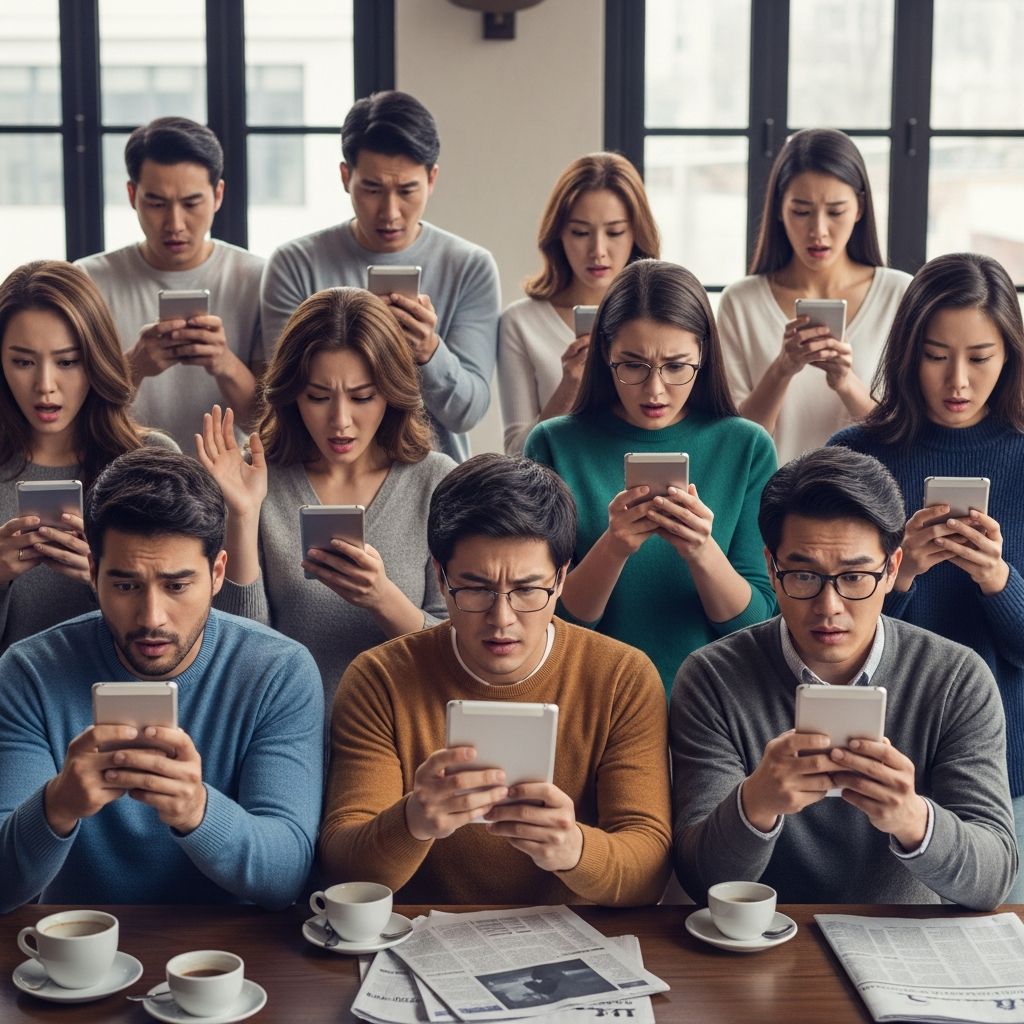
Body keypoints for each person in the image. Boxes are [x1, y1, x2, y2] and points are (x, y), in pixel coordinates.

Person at [671, 446, 1016, 910]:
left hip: (901, 947)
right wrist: (756, 802)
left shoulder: (956, 678)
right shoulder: (712, 677)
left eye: (854, 577)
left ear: (892, 569)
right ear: (771, 569)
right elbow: (699, 879)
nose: (829, 607)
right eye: (804, 575)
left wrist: (913, 819)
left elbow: (993, 879)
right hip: (760, 947)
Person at [318, 453, 672, 905]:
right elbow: (341, 869)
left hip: (578, 941)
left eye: (527, 589)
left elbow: (650, 872)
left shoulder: (622, 677)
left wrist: (574, 849)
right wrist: (413, 821)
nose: (501, 619)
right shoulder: (380, 679)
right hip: (419, 939)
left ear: (561, 577)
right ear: (441, 579)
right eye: (477, 588)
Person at [0, 447, 323, 912]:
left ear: (217, 574)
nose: (152, 618)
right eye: (126, 585)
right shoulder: (29, 672)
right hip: (80, 951)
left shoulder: (278, 672)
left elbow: (286, 876)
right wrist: (57, 806)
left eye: (176, 585)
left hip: (234, 961)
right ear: (93, 573)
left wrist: (196, 811)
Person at [827, 252, 1024, 898]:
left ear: (1011, 356)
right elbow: (821, 636)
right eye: (937, 354)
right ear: (908, 350)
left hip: (1007, 771)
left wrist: (999, 580)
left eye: (981, 356)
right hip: (877, 767)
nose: (958, 380)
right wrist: (900, 575)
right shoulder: (855, 456)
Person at [525, 260, 777, 693]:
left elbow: (756, 625)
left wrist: (701, 550)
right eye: (633, 365)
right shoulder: (553, 444)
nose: (655, 390)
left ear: (704, 355)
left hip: (711, 703)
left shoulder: (747, 447)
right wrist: (613, 547)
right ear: (605, 354)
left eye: (677, 366)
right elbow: (547, 620)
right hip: (591, 697)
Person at [200, 286, 454, 714]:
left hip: (401, 727)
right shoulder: (256, 476)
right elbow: (241, 648)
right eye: (318, 397)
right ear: (292, 395)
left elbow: (456, 648)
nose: (340, 421)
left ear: (391, 392)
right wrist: (242, 515)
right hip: (284, 728)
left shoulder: (435, 480)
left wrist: (381, 597)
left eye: (361, 397)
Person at [260, 90, 501, 463]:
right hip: (314, 472)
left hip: (428, 479)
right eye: (372, 189)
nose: (390, 212)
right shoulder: (294, 264)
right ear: (345, 176)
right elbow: (284, 398)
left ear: (432, 179)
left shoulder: (470, 266)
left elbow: (466, 413)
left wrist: (428, 352)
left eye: (407, 190)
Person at [0, 260, 179, 655]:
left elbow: (184, 623)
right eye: (23, 362)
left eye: (67, 361)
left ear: (96, 360)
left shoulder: (152, 462)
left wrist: (108, 583)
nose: (45, 385)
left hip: (127, 702)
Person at [718, 129, 912, 465]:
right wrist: (782, 368)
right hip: (771, 507)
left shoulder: (899, 294)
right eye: (801, 211)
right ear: (779, 208)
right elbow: (735, 443)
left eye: (835, 212)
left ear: (860, 207)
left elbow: (906, 437)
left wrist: (845, 382)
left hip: (867, 509)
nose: (818, 230)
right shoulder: (740, 302)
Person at [76, 116, 264, 451]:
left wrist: (223, 363)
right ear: (133, 195)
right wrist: (134, 366)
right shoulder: (89, 280)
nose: (175, 223)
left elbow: (272, 422)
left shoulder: (257, 278)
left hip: (227, 484)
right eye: (157, 203)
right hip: (120, 479)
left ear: (218, 195)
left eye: (191, 203)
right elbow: (73, 415)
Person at [497, 153, 660, 454]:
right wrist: (569, 386)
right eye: (581, 233)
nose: (598, 251)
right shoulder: (520, 323)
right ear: (558, 234)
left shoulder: (663, 317)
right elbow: (515, 455)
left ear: (636, 233)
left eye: (614, 232)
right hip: (557, 495)